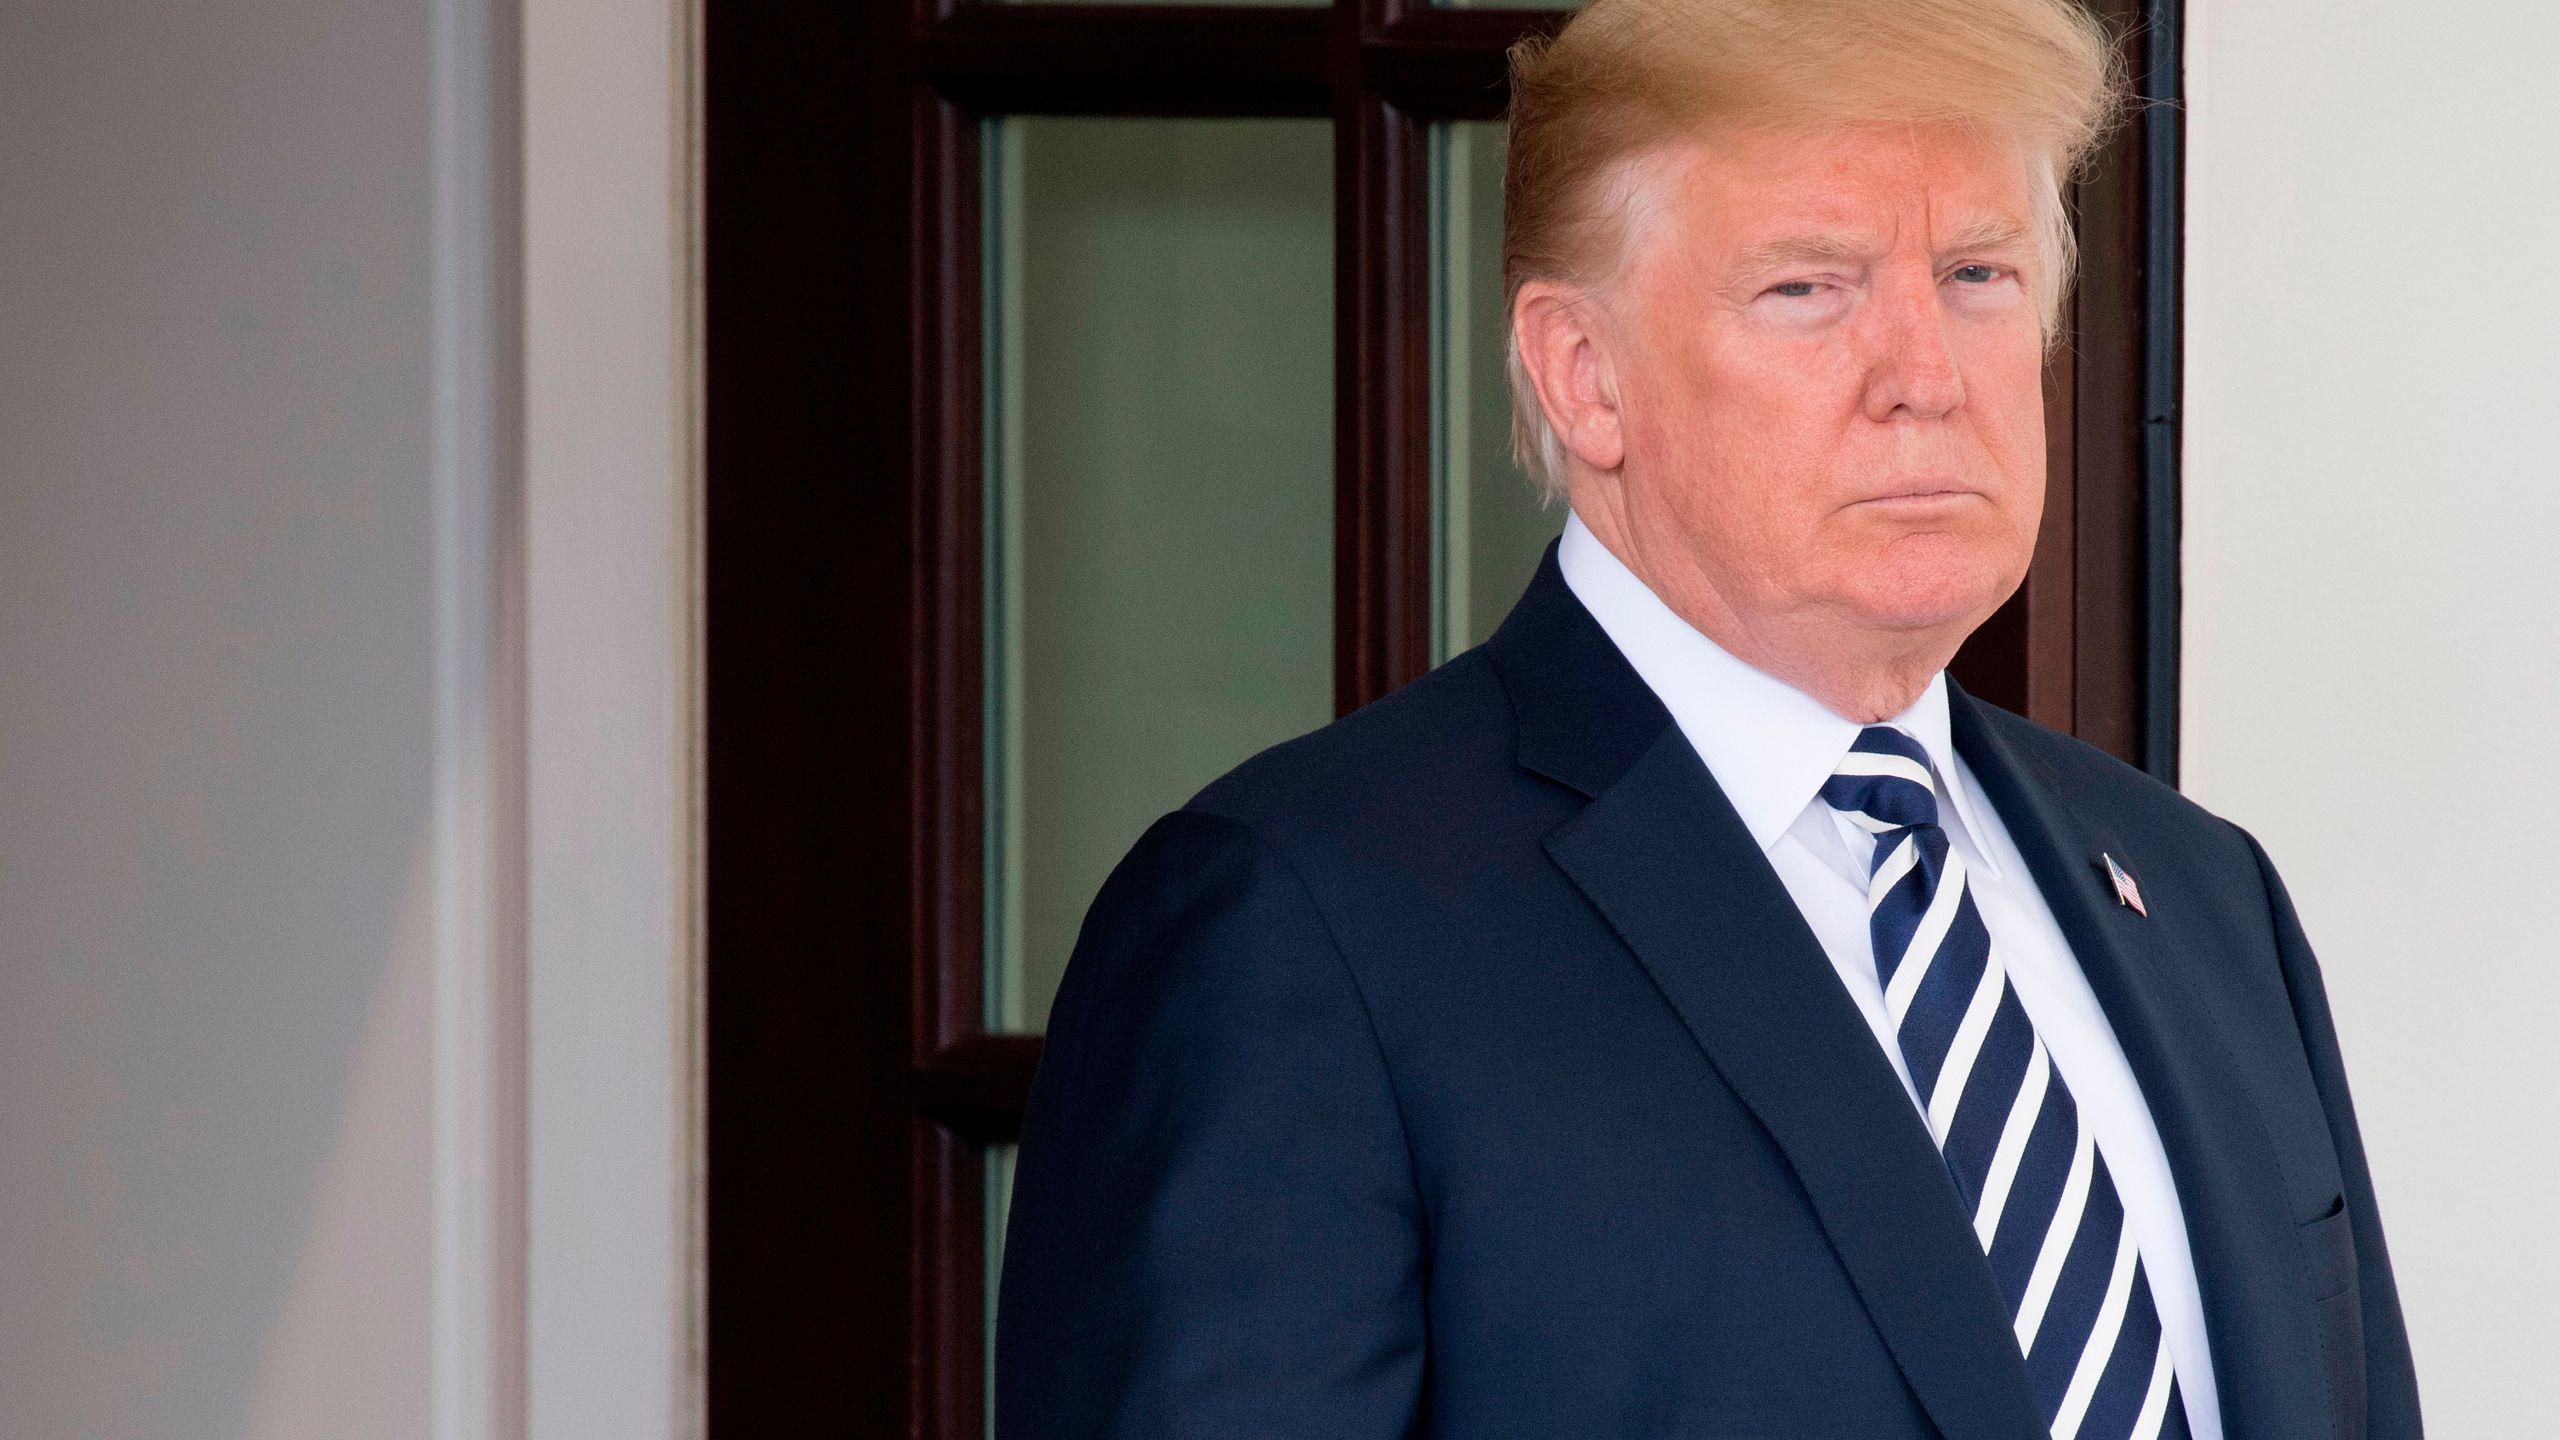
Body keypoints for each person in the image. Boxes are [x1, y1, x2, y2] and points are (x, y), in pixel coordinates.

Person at [994, 0, 2421, 1433]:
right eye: (1811, 287)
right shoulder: (1298, 928)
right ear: (1584, 376)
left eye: (1978, 273)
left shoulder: (2201, 893)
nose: (1926, 374)